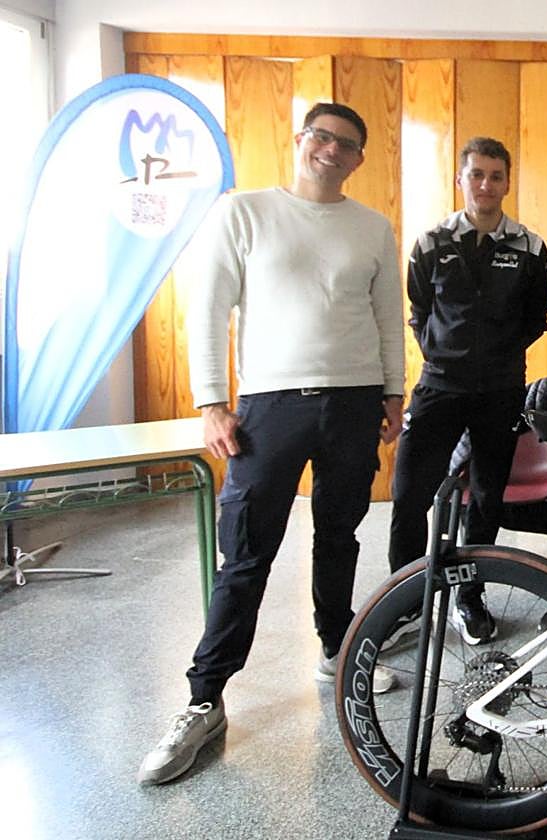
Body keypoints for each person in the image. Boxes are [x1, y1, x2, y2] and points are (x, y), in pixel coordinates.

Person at [137, 102, 407, 785]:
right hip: (269, 405)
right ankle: (205, 698)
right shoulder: (245, 212)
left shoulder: (373, 228)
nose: (331, 150)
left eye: (346, 144)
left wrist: (393, 392)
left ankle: (335, 652)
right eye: (321, 137)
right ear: (300, 140)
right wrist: (210, 403)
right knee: (247, 555)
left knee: (340, 535)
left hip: (351, 401)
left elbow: (384, 316)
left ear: (358, 158)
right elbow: (208, 308)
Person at [388, 137, 547, 644]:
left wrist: (495, 357)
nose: (486, 185)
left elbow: (536, 319)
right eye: (476, 174)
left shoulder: (530, 246)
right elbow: (418, 311)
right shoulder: (432, 242)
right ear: (461, 179)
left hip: (500, 392)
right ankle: (403, 601)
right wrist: (445, 353)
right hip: (439, 386)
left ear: (507, 181)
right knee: (409, 493)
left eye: (495, 176)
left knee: (485, 499)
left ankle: (468, 595)